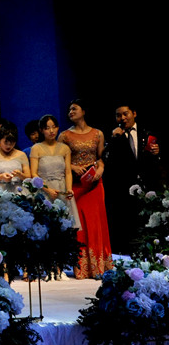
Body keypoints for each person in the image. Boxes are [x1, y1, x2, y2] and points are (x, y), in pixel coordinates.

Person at [58, 99, 113, 279]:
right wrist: (73, 167)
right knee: (80, 224)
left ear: (84, 111)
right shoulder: (64, 136)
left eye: (74, 109)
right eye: (69, 110)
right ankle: (82, 267)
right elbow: (59, 161)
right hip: (76, 184)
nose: (71, 112)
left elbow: (101, 157)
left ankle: (99, 267)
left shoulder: (98, 134)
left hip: (95, 184)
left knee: (96, 223)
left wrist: (101, 169)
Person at [103, 101, 162, 254]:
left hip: (146, 188)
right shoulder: (115, 136)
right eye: (118, 115)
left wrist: (157, 153)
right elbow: (107, 159)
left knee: (147, 225)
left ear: (134, 114)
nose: (122, 118)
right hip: (124, 191)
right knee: (127, 228)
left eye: (125, 114)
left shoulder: (146, 133)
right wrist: (114, 138)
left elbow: (155, 162)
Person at [30, 115, 81, 229]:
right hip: (44, 190)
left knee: (64, 225)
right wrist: (47, 189)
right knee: (46, 226)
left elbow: (68, 172)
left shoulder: (65, 148)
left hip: (62, 189)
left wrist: (69, 189)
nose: (51, 131)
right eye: (47, 128)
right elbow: (33, 174)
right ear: (42, 130)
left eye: (54, 127)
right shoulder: (36, 148)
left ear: (58, 128)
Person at [0, 122, 31, 191]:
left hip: (19, 191)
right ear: (0, 138)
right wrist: (1, 177)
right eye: (6, 142)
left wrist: (20, 175)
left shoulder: (21, 155)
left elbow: (28, 177)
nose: (8, 146)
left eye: (12, 142)